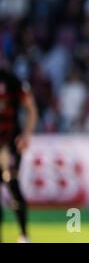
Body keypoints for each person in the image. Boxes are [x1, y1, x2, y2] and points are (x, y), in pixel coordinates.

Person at [0, 57, 37, 243]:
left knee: (12, 183)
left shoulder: (11, 80)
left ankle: (24, 235)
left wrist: (26, 134)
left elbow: (30, 108)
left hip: (8, 143)